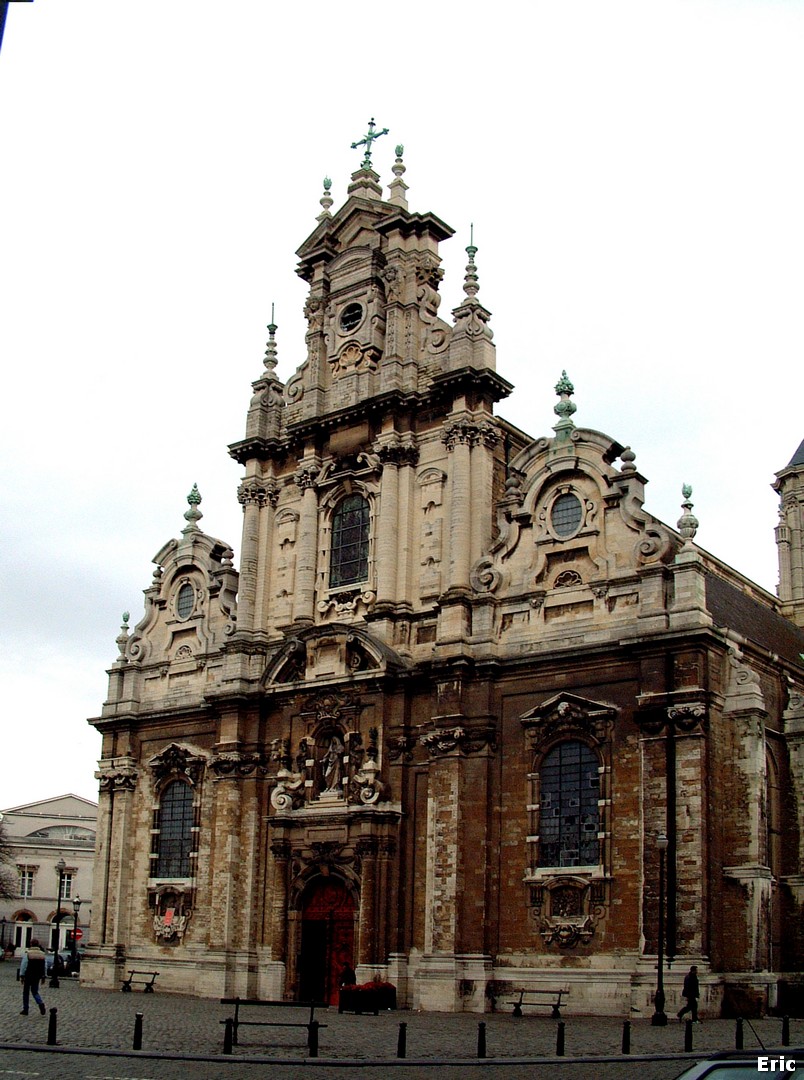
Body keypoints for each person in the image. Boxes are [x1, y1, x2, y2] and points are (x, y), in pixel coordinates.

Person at [19, 939, 47, 1016]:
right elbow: (45, 966)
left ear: (31, 944)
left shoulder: (28, 953)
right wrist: (44, 976)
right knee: (35, 991)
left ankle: (26, 1009)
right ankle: (40, 1003)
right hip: (37, 975)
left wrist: (22, 975)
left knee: (26, 992)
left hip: (28, 975)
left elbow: (24, 965)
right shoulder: (42, 954)